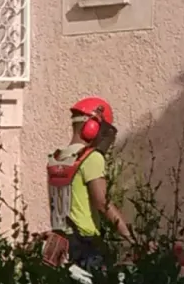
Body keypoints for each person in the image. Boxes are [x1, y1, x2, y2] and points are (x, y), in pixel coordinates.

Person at [42, 96, 134, 270]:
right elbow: (102, 202)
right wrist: (130, 236)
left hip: (60, 243)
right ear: (92, 126)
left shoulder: (56, 159)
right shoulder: (91, 158)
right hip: (86, 245)